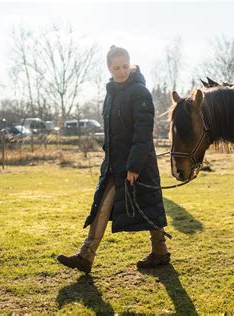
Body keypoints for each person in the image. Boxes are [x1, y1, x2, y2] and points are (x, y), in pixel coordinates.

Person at [57, 45, 170, 273]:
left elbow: (143, 132)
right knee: (110, 205)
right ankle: (157, 252)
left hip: (137, 165)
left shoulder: (140, 92)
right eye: (116, 67)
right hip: (114, 165)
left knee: (147, 206)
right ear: (109, 68)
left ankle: (87, 255)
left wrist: (134, 165)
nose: (121, 71)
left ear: (131, 64)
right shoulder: (111, 94)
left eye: (125, 66)